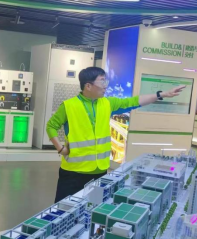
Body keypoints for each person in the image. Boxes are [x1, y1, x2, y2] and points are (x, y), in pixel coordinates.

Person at [48, 67, 185, 202]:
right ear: (88, 86)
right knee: (63, 208)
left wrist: (161, 94)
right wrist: (61, 149)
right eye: (102, 81)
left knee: (93, 208)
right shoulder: (69, 106)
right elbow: (51, 126)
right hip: (73, 173)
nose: (105, 85)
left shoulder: (107, 103)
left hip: (100, 171)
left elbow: (133, 102)